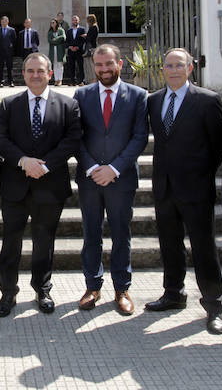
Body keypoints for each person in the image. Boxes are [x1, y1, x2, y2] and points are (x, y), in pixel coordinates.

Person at [145, 48, 222, 334]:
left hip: (195, 188)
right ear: (162, 69)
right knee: (169, 243)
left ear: (190, 68)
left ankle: (214, 304)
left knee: (204, 247)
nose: (174, 70)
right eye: (169, 65)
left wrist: (200, 175)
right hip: (164, 186)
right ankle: (173, 293)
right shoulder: (154, 100)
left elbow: (218, 146)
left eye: (180, 65)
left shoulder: (207, 100)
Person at [0, 53, 81, 316]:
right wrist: (23, 161)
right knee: (11, 242)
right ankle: (8, 292)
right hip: (15, 186)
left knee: (45, 241)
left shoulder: (68, 105)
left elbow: (72, 140)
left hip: (50, 185)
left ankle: (42, 289)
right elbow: (0, 139)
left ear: (50, 73)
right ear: (24, 74)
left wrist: (44, 165)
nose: (35, 75)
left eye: (40, 71)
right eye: (30, 71)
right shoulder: (9, 105)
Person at [74, 44, 148, 315]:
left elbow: (139, 137)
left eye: (109, 64)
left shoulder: (139, 96)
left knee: (121, 234)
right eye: (99, 65)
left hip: (122, 178)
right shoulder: (81, 94)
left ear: (119, 64)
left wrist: (114, 169)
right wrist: (93, 167)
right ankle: (92, 286)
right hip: (90, 179)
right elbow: (76, 136)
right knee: (91, 232)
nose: (104, 69)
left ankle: (122, 289)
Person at [0, 16, 17, 87]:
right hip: (0, 52)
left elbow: (14, 40)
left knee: (10, 68)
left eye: (5, 21)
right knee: (0, 68)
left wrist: (11, 48)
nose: (3, 23)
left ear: (7, 22)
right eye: (2, 22)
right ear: (0, 22)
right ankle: (1, 82)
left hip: (9, 52)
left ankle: (11, 82)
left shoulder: (12, 30)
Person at [64, 15, 86, 85]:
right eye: (73, 20)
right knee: (71, 66)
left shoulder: (82, 29)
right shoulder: (69, 30)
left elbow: (83, 40)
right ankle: (72, 81)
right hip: (71, 51)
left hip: (79, 51)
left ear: (78, 21)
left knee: (80, 66)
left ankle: (81, 80)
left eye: (76, 20)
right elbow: (67, 40)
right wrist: (70, 47)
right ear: (72, 21)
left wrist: (78, 47)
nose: (75, 21)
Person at [47, 18, 66, 86]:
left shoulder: (61, 30)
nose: (52, 24)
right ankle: (56, 80)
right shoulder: (50, 32)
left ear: (56, 23)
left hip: (59, 50)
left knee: (60, 65)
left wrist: (56, 39)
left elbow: (63, 37)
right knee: (55, 65)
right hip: (53, 50)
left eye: (53, 22)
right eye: (51, 23)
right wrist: (57, 40)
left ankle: (60, 80)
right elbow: (50, 40)